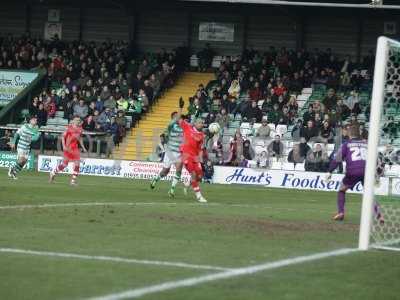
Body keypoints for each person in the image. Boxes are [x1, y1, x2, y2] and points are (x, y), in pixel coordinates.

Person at [325, 125, 383, 222]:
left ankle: (341, 212)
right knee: (369, 194)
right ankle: (379, 215)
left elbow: (337, 159)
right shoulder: (366, 144)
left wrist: (329, 171)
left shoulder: (346, 144)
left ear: (349, 134)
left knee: (341, 190)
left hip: (353, 171)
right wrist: (378, 174)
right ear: (358, 134)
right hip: (367, 172)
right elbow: (376, 160)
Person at [177, 98, 207, 203]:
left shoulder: (202, 135)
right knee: (193, 174)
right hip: (185, 155)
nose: (201, 124)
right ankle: (199, 196)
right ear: (195, 123)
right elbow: (179, 120)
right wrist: (180, 108)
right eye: (200, 122)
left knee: (199, 176)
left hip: (195, 157)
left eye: (202, 123)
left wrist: (200, 159)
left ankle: (187, 184)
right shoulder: (187, 127)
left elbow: (200, 149)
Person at [150, 111, 186, 197]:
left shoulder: (184, 127)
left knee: (179, 170)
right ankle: (155, 179)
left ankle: (172, 190)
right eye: (176, 117)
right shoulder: (171, 126)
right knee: (165, 172)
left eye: (179, 117)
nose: (178, 118)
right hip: (170, 152)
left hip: (178, 153)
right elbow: (165, 134)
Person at [49, 116, 87, 185]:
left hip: (75, 149)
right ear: (73, 120)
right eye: (76, 120)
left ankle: (73, 181)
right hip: (68, 149)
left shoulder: (80, 129)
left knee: (77, 164)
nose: (78, 121)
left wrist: (83, 147)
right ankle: (53, 172)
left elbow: (80, 138)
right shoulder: (69, 128)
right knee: (64, 164)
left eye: (79, 120)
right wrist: (63, 146)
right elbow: (63, 137)